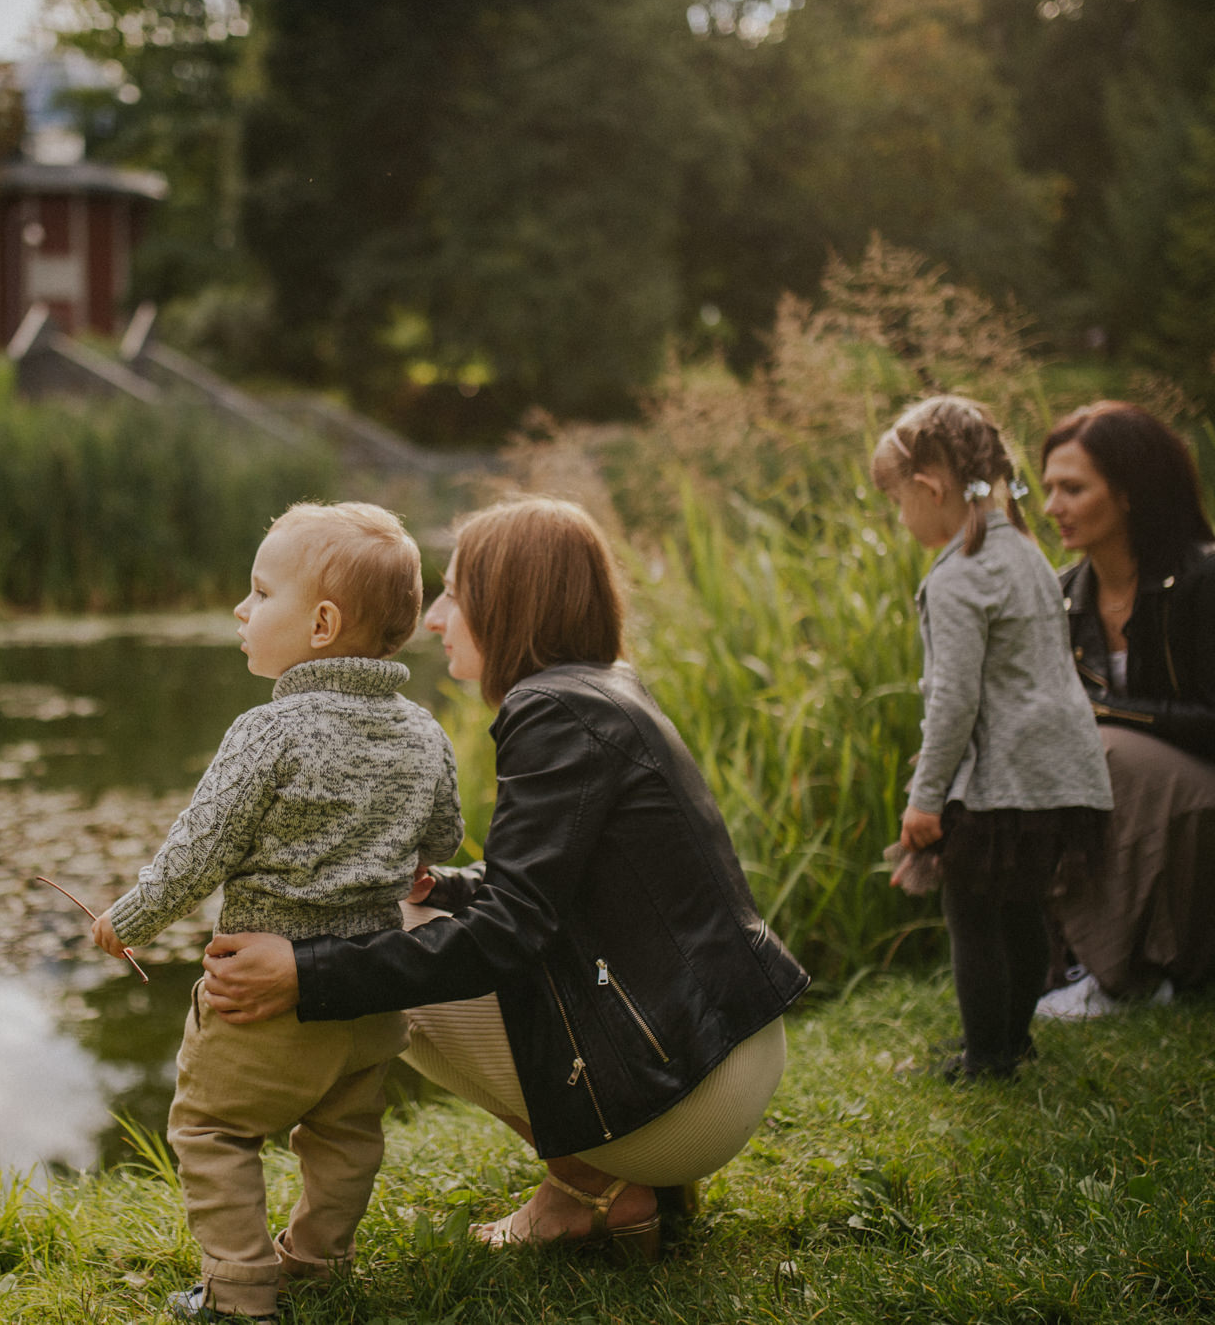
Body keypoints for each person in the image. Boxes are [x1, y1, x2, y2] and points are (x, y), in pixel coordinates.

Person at [199, 497, 809, 1262]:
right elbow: (562, 886)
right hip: (726, 1054)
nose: (436, 617)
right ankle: (614, 1182)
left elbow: (508, 935)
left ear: (510, 600)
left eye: (455, 592)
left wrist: (307, 971)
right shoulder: (604, 689)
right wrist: (449, 886)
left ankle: (592, 1188)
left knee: (382, 949)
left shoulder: (550, 708)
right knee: (407, 917)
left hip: (688, 1088)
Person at [90, 501, 464, 1322]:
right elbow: (438, 841)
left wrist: (128, 918)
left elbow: (197, 851)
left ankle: (239, 1291)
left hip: (268, 1002)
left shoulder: (267, 730)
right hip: (369, 999)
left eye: (260, 594)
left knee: (213, 1130)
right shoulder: (424, 731)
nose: (241, 608)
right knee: (345, 1135)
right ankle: (320, 1261)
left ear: (322, 623)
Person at [1036, 401, 1215, 1018]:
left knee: (1107, 751)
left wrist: (1102, 713)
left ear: (1130, 492)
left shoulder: (1210, 580)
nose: (1051, 506)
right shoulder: (1063, 595)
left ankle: (1121, 979)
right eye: (1047, 489)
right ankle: (1066, 960)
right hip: (1158, 795)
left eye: (1072, 488)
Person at [871, 397, 1113, 1078]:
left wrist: (925, 801)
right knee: (1022, 907)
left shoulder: (955, 577)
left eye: (896, 499)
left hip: (999, 779)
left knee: (971, 911)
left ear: (930, 488)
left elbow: (954, 699)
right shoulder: (1027, 553)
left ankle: (987, 1058)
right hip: (1058, 771)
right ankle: (1012, 1039)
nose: (899, 516)